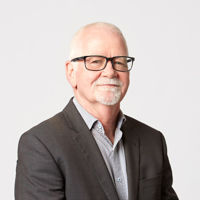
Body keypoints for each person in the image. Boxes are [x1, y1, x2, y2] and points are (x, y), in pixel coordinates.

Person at [15, 22, 179, 200]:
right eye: (96, 61)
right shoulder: (41, 145)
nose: (110, 72)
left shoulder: (153, 141)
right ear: (71, 72)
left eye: (119, 62)